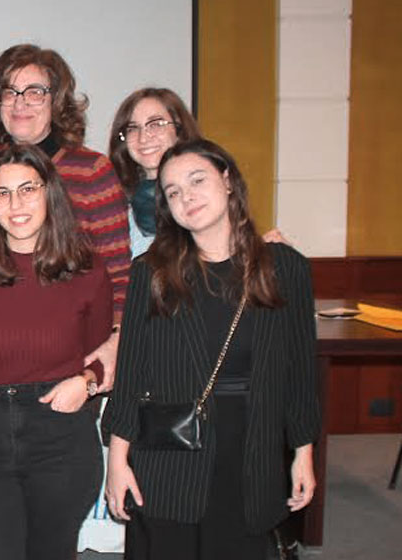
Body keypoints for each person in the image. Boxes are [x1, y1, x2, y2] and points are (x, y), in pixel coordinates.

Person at [102, 139, 320, 560]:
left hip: (252, 449)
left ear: (227, 180)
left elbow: (299, 373)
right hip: (170, 455)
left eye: (197, 180)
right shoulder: (151, 273)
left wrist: (302, 453)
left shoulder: (285, 267)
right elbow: (130, 377)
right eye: (173, 192)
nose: (187, 197)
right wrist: (118, 463)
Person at [0, 144, 109, 559]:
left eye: (27, 189)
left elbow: (102, 355)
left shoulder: (87, 269)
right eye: (2, 193)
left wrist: (87, 384)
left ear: (49, 192)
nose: (15, 204)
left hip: (61, 436)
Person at [0, 44, 132, 389]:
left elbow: (118, 273)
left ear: (56, 101)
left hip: (73, 360)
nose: (20, 103)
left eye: (34, 92)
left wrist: (115, 341)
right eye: (10, 92)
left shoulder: (92, 171)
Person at [108, 87, 288, 258]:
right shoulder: (113, 209)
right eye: (132, 128)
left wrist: (261, 251)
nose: (144, 137)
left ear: (179, 129)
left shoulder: (211, 193)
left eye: (155, 124)